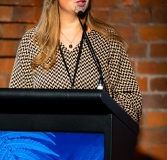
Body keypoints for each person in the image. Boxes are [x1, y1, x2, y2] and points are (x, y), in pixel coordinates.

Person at [9, 0, 142, 123]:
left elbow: (132, 100)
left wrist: (101, 117)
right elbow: (15, 104)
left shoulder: (107, 39)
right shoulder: (32, 41)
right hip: (47, 142)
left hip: (96, 141)